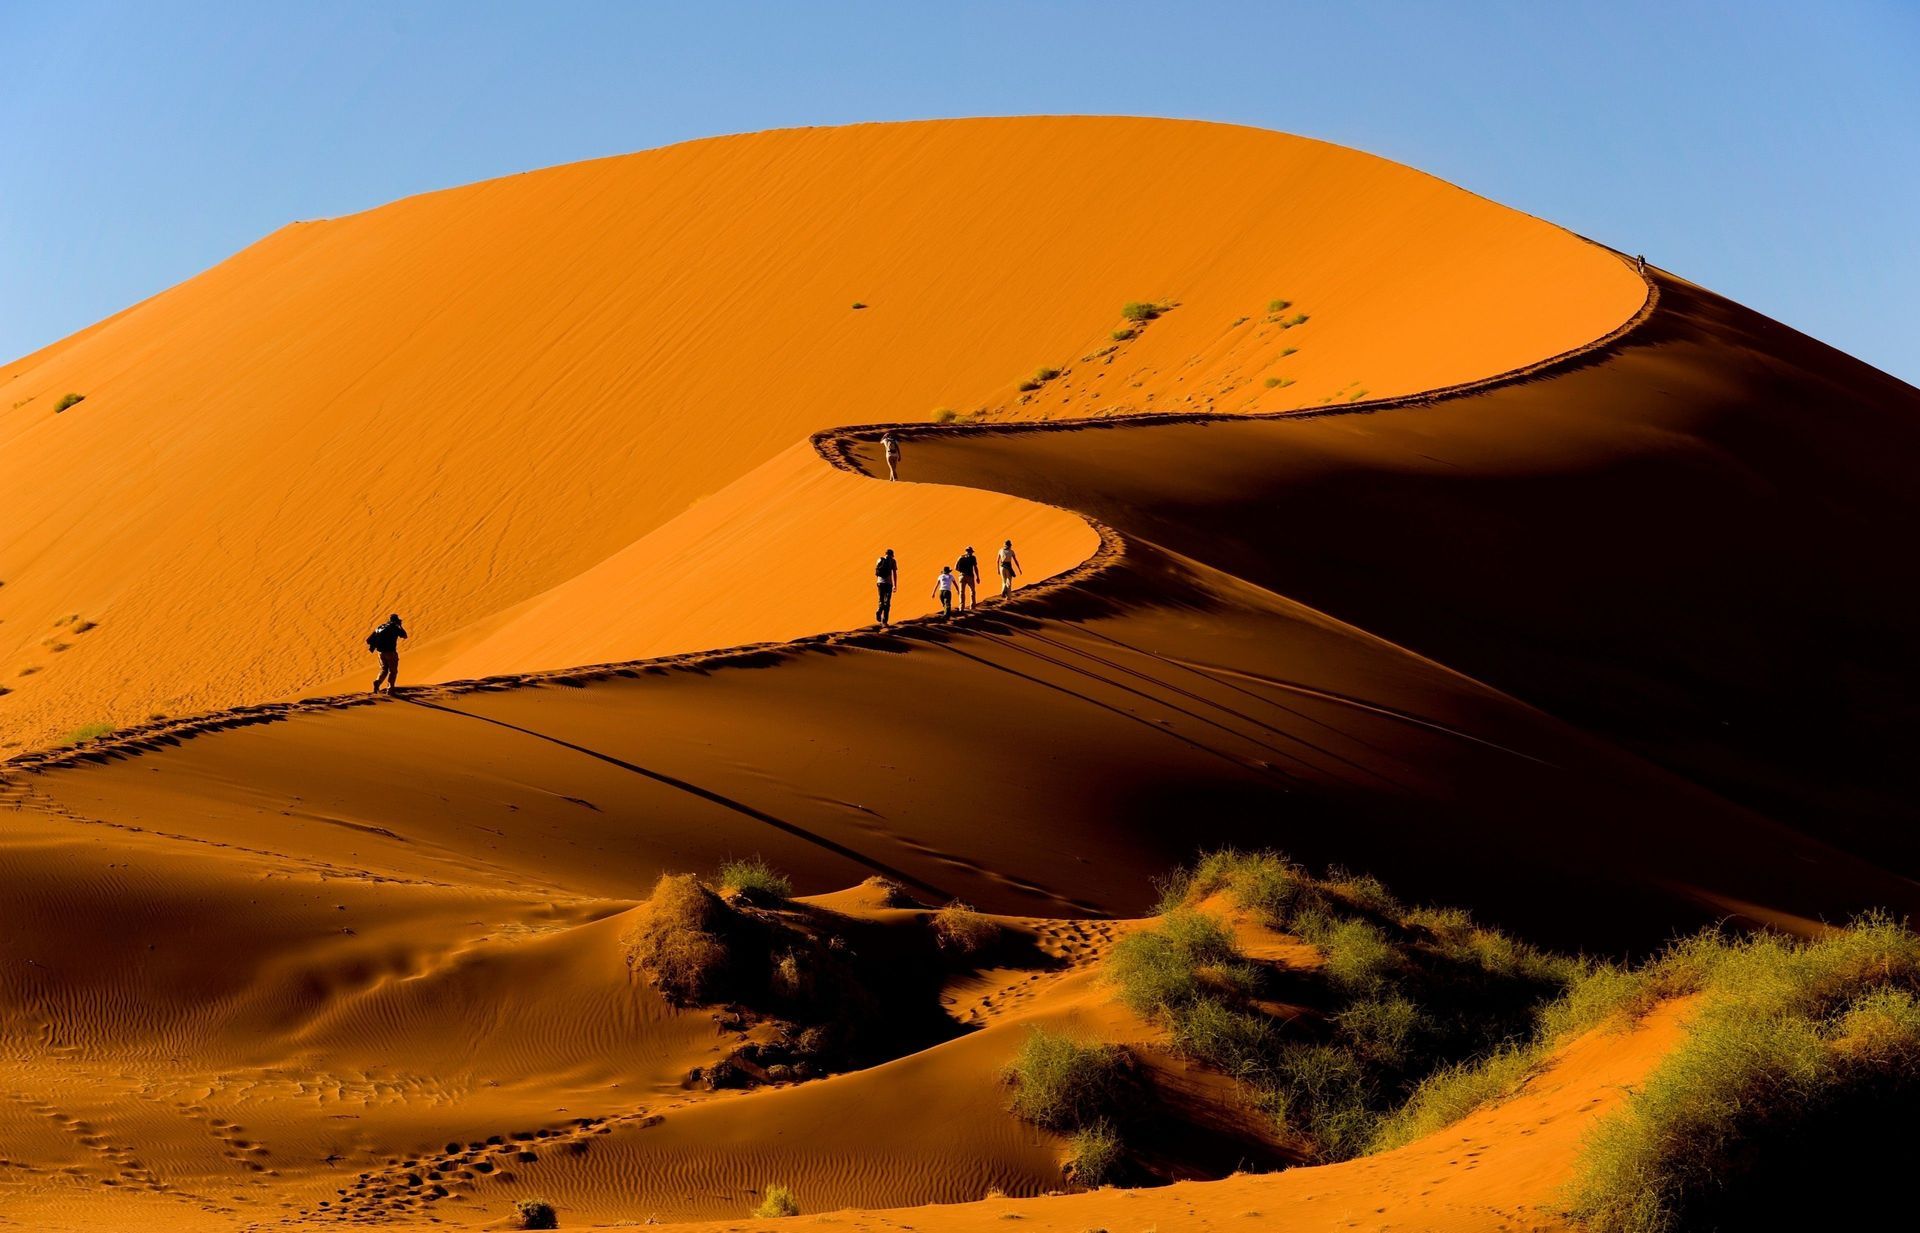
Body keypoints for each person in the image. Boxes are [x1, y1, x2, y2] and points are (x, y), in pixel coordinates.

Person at [367, 613, 408, 693]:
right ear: (396, 620)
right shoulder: (395, 627)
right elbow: (405, 635)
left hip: (380, 653)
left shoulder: (380, 627)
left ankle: (378, 682)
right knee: (393, 671)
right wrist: (400, 626)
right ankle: (390, 689)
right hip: (390, 652)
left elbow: (369, 640)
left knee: (384, 669)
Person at [875, 548, 899, 624]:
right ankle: (885, 620)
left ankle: (879, 609)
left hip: (879, 583)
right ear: (892, 555)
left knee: (881, 599)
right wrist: (895, 585)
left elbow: (876, 572)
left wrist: (879, 582)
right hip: (888, 584)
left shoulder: (879, 560)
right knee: (887, 602)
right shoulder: (892, 561)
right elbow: (894, 574)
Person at [955, 545, 980, 610]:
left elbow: (955, 568)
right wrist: (977, 577)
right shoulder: (973, 558)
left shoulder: (961, 557)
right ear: (971, 552)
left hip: (961, 576)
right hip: (970, 576)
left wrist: (962, 571)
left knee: (961, 592)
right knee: (972, 591)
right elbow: (975, 567)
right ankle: (972, 606)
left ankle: (961, 607)